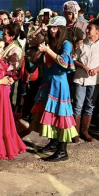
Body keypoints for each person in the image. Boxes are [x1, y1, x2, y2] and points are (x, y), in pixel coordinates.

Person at [30, 16, 78, 161]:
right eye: (51, 27)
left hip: (59, 85)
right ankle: (54, 142)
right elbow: (34, 61)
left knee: (61, 115)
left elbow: (64, 62)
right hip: (48, 82)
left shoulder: (66, 44)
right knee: (51, 113)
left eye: (55, 27)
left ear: (61, 29)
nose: (52, 30)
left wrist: (48, 50)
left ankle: (62, 151)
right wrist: (40, 51)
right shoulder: (50, 43)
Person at [72, 18, 99, 142]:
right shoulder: (82, 43)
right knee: (77, 105)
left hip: (94, 80)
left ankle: (85, 131)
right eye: (87, 28)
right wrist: (84, 66)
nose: (87, 30)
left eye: (90, 28)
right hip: (79, 78)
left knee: (89, 105)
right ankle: (74, 132)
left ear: (98, 31)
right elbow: (74, 59)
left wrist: (97, 69)